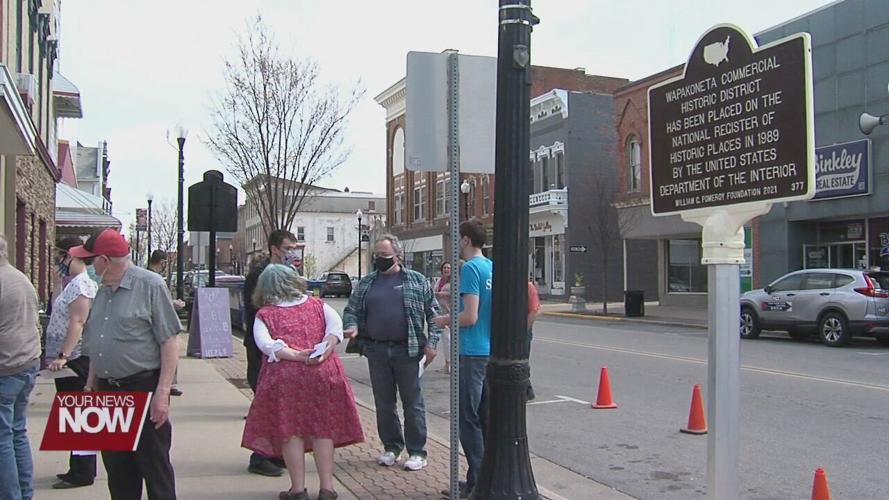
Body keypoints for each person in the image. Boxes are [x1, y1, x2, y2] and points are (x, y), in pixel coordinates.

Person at [74, 228, 181, 500]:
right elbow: (100, 340)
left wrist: (163, 393)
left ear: (105, 261)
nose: (88, 266)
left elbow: (169, 341)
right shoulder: (102, 291)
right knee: (119, 471)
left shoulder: (150, 285)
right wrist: (90, 385)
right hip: (109, 394)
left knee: (154, 468)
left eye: (90, 260)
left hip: (143, 388)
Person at [242, 264, 363, 500]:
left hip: (285, 377)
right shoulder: (318, 305)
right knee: (323, 429)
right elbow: (335, 330)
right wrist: (323, 352)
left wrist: (296, 354)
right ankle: (327, 488)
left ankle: (297, 490)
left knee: (290, 431)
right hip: (323, 373)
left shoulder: (266, 313)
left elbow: (265, 344)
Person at [343, 234, 442, 471]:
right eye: (377, 255)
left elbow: (434, 316)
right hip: (376, 350)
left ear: (398, 256)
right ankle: (392, 447)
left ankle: (417, 451)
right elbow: (351, 310)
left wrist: (432, 344)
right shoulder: (366, 283)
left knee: (412, 403)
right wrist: (352, 326)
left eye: (385, 256)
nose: (380, 260)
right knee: (384, 403)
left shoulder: (417, 281)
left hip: (408, 350)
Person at [435, 219, 492, 498]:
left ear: (467, 240)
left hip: (470, 352)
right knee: (482, 418)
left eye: (459, 239)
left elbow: (470, 316)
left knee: (466, 420)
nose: (458, 243)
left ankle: (479, 482)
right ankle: (475, 479)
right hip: (488, 351)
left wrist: (444, 320)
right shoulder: (491, 267)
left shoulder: (469, 268)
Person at [243, 229, 299, 476]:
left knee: (283, 405)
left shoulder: (291, 273)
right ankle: (260, 455)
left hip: (284, 348)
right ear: (275, 248)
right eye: (288, 248)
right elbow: (256, 308)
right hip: (262, 347)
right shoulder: (259, 274)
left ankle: (276, 453)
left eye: (293, 248)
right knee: (265, 403)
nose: (291, 253)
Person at [44, 237, 99, 489]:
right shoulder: (71, 285)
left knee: (80, 416)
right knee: (71, 415)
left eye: (61, 256)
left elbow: (78, 322)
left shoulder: (83, 286)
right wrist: (57, 284)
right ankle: (75, 467)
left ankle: (83, 472)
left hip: (75, 359)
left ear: (73, 256)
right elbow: (57, 308)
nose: (59, 261)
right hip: (65, 360)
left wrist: (64, 355)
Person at [0, 234, 41, 500]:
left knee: (3, 439)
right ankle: (24, 493)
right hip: (27, 363)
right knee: (16, 433)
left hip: (6, 367)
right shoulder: (20, 278)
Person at [148, 250, 185, 397]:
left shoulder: (147, 277)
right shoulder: (156, 280)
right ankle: (169, 384)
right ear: (162, 263)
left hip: (152, 321)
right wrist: (173, 304)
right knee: (170, 348)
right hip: (158, 322)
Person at [434, 262, 453, 373]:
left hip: (452, 314)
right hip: (440, 313)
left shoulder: (454, 282)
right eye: (445, 268)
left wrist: (444, 294)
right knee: (446, 340)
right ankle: (447, 363)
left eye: (448, 268)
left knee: (449, 340)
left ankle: (451, 364)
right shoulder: (438, 281)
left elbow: (456, 294)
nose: (446, 270)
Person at [526, 280, 541, 401]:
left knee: (522, 360)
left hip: (523, 332)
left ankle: (527, 391)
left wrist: (524, 329)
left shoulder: (528, 287)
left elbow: (534, 310)